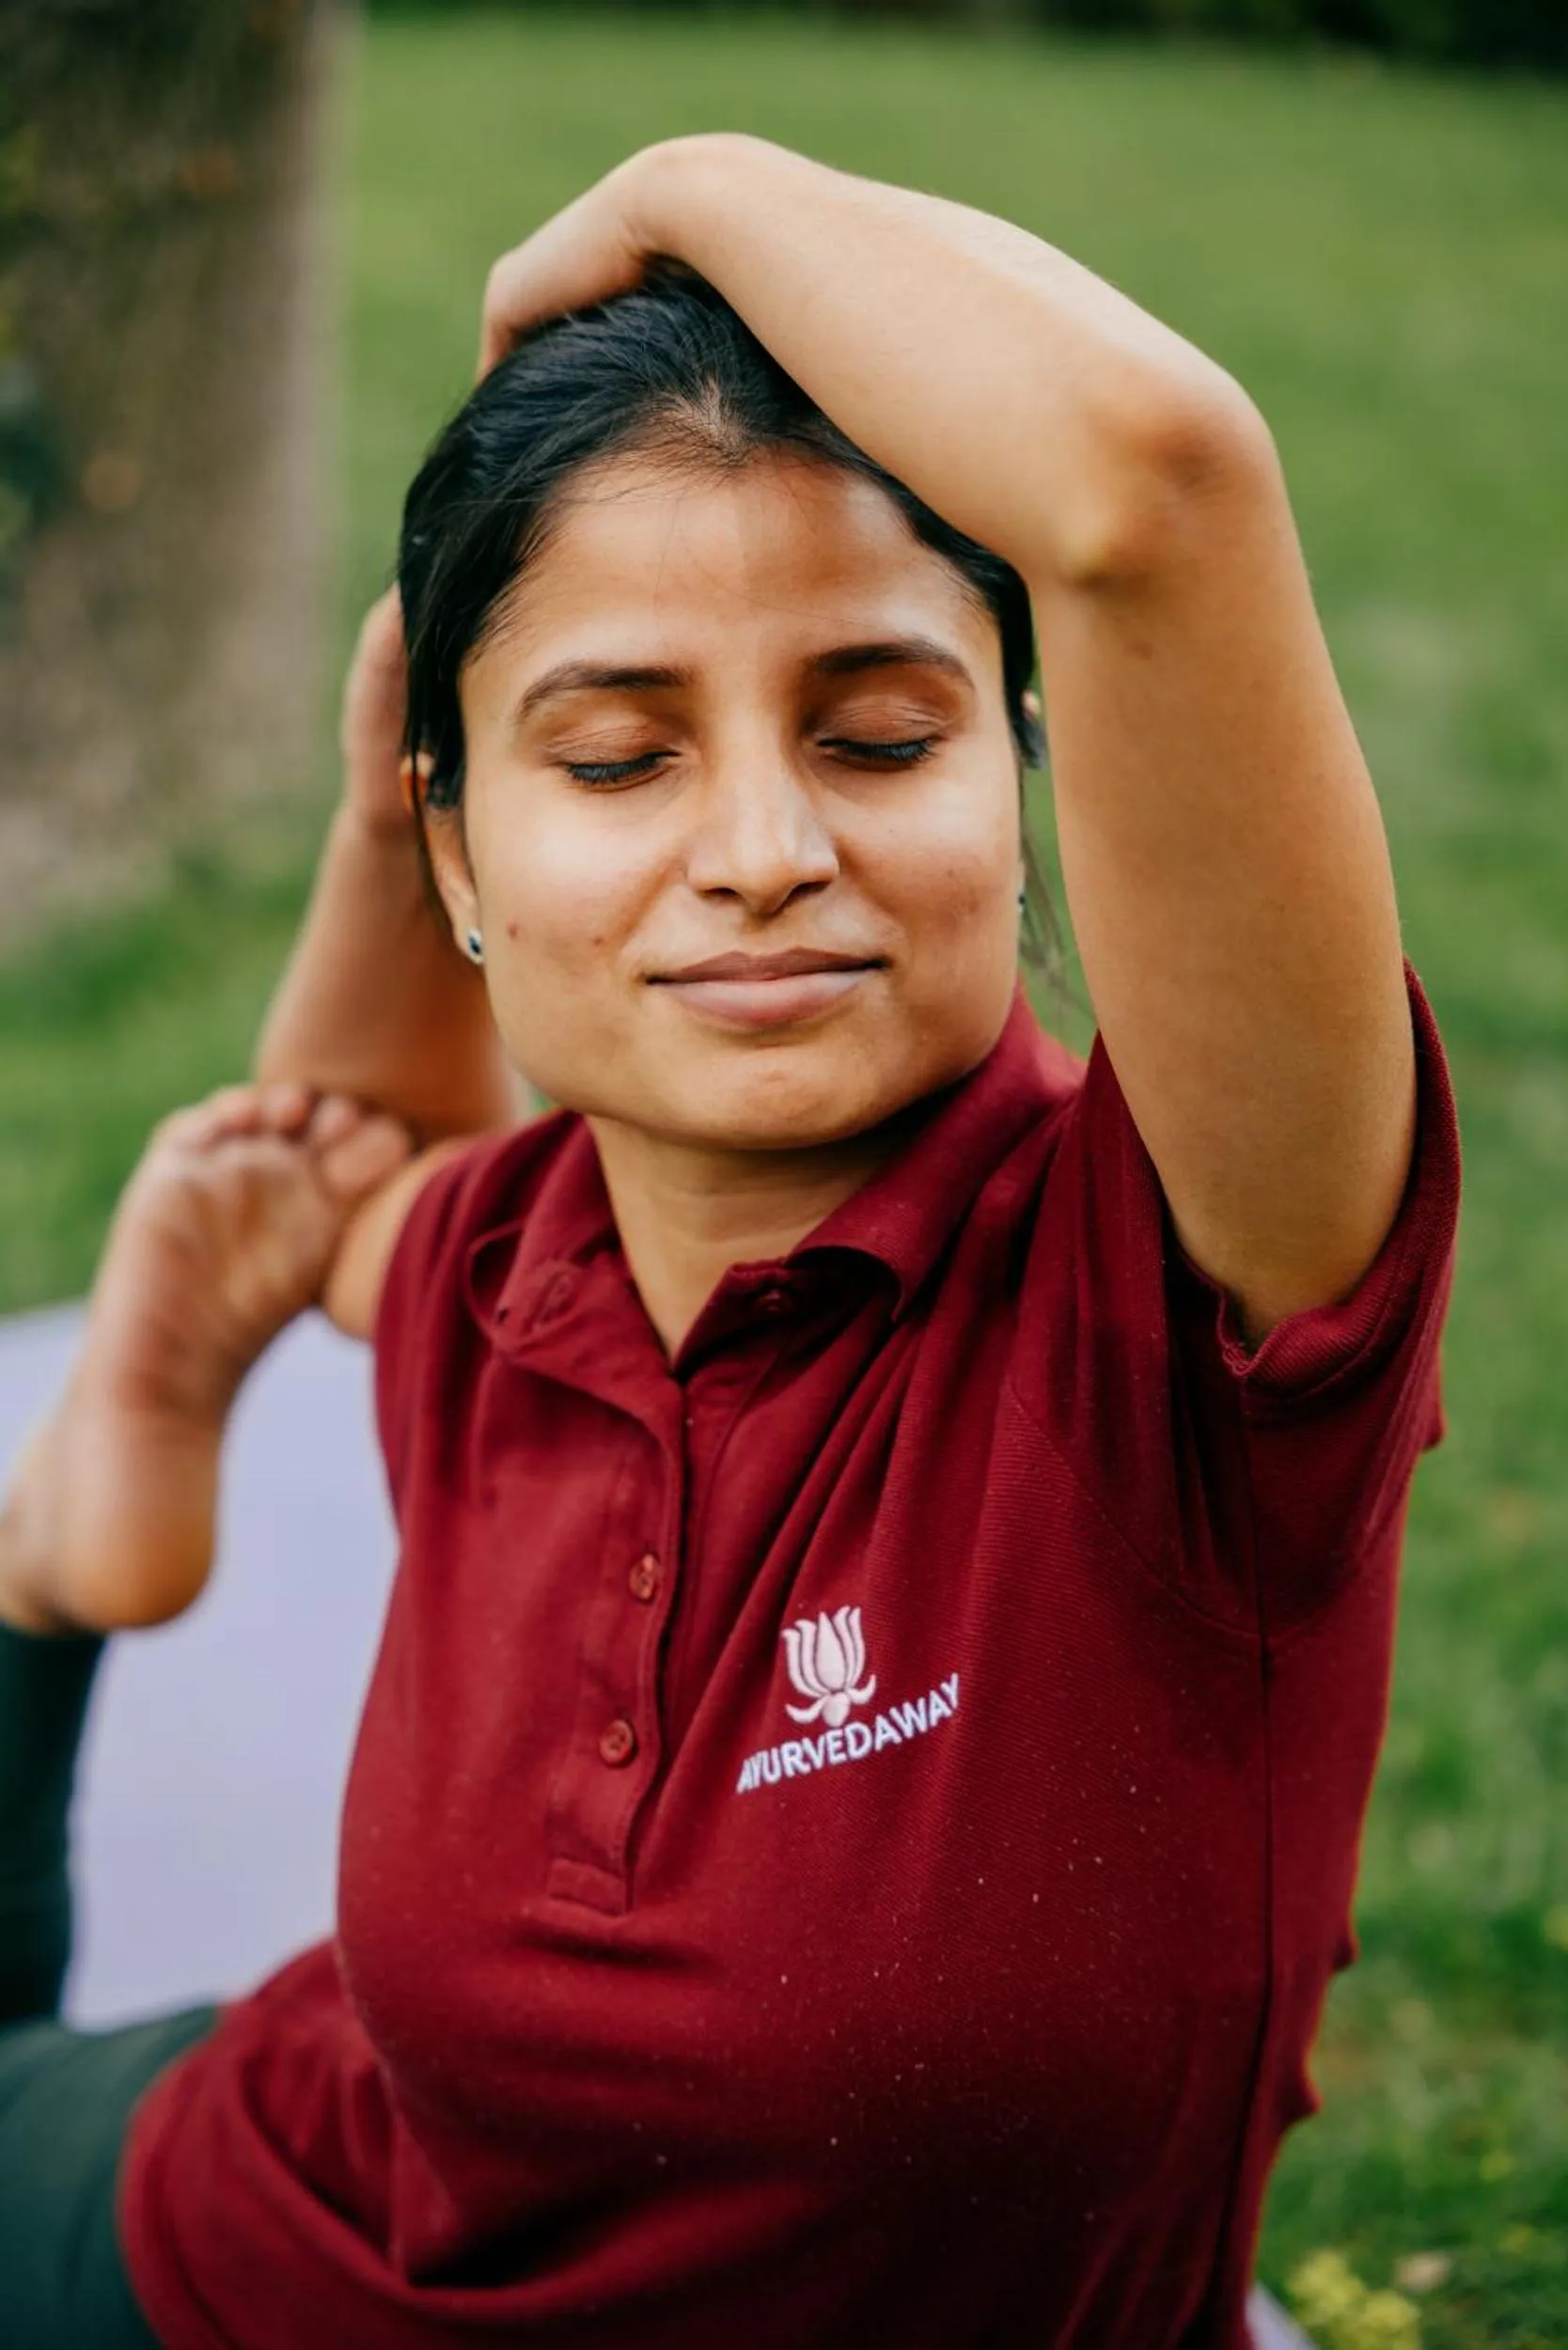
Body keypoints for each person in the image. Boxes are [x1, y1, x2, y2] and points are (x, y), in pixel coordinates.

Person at [0, 133, 1460, 2348]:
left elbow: (1148, 478)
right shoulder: (510, 1261)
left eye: (880, 732)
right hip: (234, 2227)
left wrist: (679, 191)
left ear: (1022, 765)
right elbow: (351, 1153)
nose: (768, 848)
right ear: (454, 851)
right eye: (614, 760)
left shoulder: (1182, 1312)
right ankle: (36, 1588)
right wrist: (392, 808)